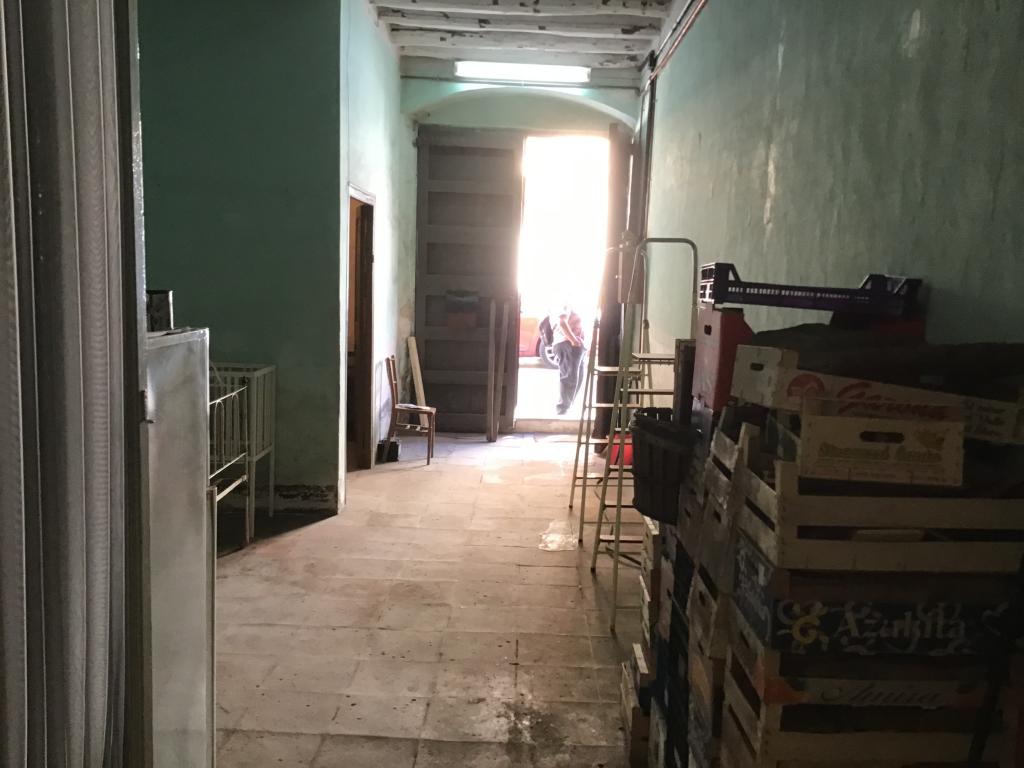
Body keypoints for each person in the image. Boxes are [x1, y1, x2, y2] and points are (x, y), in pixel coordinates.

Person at [550, 305, 586, 414]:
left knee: (577, 377)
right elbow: (562, 322)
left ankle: (566, 408)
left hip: (575, 344)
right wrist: (573, 340)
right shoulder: (566, 301)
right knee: (569, 378)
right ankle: (562, 409)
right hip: (568, 343)